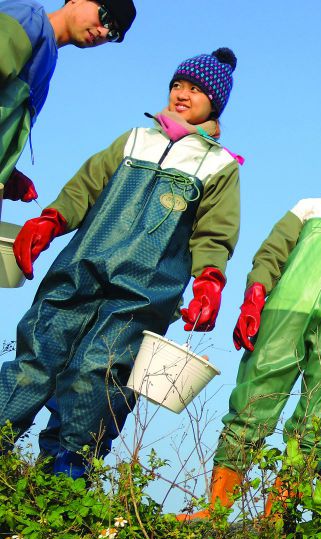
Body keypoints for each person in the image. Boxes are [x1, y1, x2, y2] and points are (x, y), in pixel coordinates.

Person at [0, 47, 242, 478]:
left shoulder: (218, 165)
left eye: (196, 89)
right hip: (81, 267)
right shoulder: (134, 140)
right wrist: (50, 220)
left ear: (214, 102)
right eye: (177, 85)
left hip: (145, 291)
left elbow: (214, 231)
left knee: (96, 373)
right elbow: (85, 187)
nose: (182, 94)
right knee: (38, 353)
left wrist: (209, 279)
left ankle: (63, 480)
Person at [177, 134, 321, 521]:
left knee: (318, 421)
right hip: (286, 310)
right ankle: (216, 508)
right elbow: (271, 252)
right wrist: (255, 296)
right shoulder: (309, 207)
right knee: (252, 401)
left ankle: (276, 514)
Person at [0, 0, 136, 207]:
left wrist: (8, 170)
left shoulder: (47, 60)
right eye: (105, 17)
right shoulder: (27, 18)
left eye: (113, 33)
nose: (103, 32)